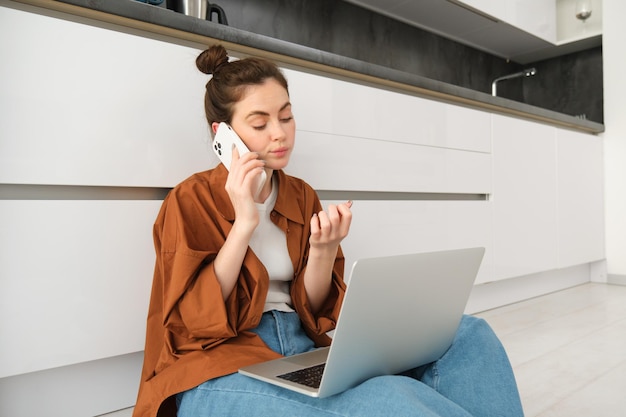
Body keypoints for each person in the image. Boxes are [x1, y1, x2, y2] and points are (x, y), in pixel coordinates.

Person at [133, 44, 525, 417]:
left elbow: (317, 310)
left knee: (468, 334)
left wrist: (323, 251)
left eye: (286, 117)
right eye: (260, 123)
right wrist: (243, 224)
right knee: (389, 397)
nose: (279, 133)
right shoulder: (190, 200)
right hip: (214, 368)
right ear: (223, 133)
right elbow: (193, 325)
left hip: (301, 350)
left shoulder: (300, 195)